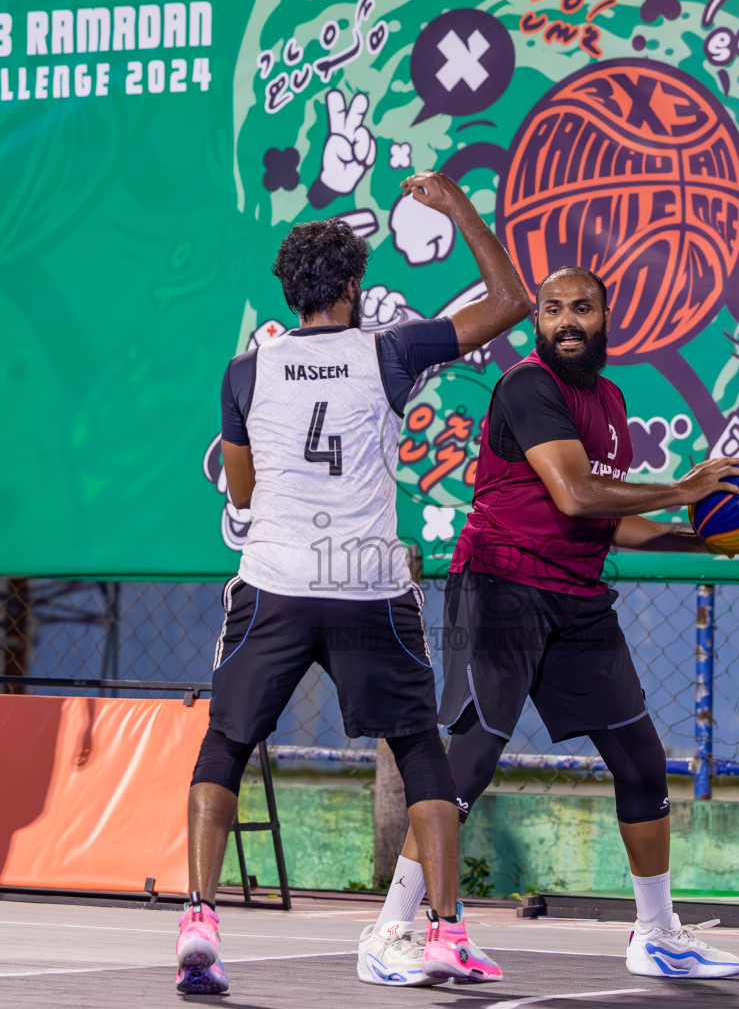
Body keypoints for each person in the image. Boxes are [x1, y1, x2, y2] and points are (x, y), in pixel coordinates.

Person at [177, 170, 532, 995]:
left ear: (292, 293)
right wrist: (457, 207)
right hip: (366, 582)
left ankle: (199, 917)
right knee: (417, 747)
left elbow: (241, 492)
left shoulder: (245, 372)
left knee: (226, 743)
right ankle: (443, 930)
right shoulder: (391, 350)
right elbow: (511, 301)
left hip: (276, 579)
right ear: (352, 287)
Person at [370, 267, 739, 980]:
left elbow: (607, 519)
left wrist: (701, 536)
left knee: (641, 762)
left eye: (581, 308)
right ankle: (391, 928)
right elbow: (578, 494)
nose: (566, 321)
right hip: (499, 588)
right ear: (539, 322)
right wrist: (688, 488)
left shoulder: (608, 401)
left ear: (606, 317)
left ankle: (656, 935)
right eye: (552, 310)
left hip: (575, 597)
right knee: (472, 759)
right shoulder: (527, 386)